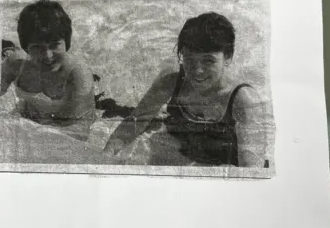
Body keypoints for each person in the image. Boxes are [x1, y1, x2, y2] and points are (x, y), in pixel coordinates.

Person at [104, 12, 269, 167]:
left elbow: (251, 170)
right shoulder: (172, 82)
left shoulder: (243, 100)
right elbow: (132, 125)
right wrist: (104, 157)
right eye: (188, 58)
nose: (197, 71)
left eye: (208, 61)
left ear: (228, 58)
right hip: (186, 152)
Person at [0, 0, 96, 141]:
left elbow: (81, 131)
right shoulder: (16, 63)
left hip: (65, 130)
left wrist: (30, 132)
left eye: (54, 45)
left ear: (66, 42)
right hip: (30, 121)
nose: (47, 55)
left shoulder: (77, 74)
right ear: (27, 47)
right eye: (38, 47)